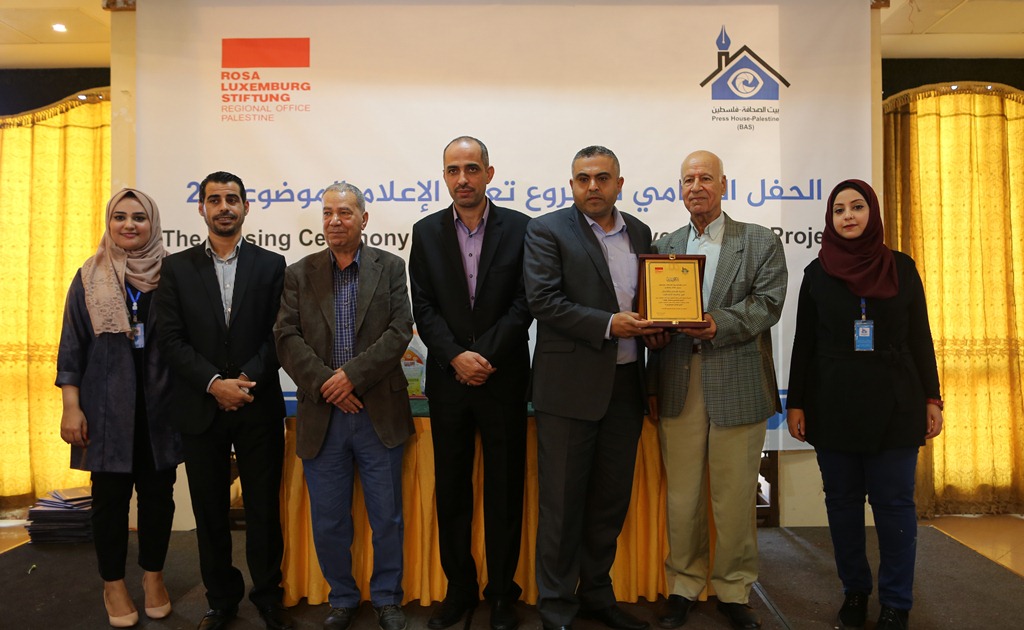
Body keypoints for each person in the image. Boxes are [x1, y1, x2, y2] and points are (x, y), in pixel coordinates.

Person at [786, 179, 943, 630]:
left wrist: (932, 397)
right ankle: (855, 591)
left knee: (894, 505)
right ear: (830, 220)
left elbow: (920, 336)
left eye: (857, 207)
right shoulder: (817, 273)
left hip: (896, 401)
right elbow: (804, 344)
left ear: (872, 213)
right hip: (833, 402)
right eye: (839, 210)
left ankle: (896, 602)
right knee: (842, 503)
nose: (848, 216)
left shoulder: (902, 267)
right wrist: (797, 403)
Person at [646, 150, 787, 630]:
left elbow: (768, 303)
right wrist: (654, 336)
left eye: (706, 178)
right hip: (678, 381)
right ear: (679, 189)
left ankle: (733, 589)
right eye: (688, 180)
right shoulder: (663, 246)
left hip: (737, 381)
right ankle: (684, 584)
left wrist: (717, 323)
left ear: (724, 185)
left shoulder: (759, 240)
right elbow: (653, 314)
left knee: (735, 497)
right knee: (682, 497)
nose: (697, 187)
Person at [524, 145, 657, 630]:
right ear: (572, 185)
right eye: (583, 178)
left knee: (609, 502)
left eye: (602, 177)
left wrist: (658, 326)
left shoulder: (639, 231)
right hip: (568, 390)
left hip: (625, 386)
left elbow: (650, 299)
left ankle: (597, 594)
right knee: (561, 505)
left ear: (619, 183)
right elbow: (544, 301)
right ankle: (557, 606)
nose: (593, 186)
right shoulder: (547, 230)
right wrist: (609, 324)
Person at [154, 171, 292, 630]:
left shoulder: (272, 265)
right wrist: (215, 383)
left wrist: (245, 380)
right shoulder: (176, 268)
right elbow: (170, 339)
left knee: (263, 510)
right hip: (201, 408)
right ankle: (221, 600)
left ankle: (268, 595)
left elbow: (281, 334)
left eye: (232, 199)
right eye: (214, 200)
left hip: (258, 404)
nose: (224, 207)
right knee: (210, 510)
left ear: (246, 207)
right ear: (202, 209)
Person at [274, 182, 413, 630]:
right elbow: (286, 337)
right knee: (330, 520)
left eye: (345, 212)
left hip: (378, 415)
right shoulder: (299, 273)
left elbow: (400, 330)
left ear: (363, 219)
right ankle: (343, 598)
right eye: (328, 213)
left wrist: (350, 377)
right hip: (324, 416)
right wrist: (327, 384)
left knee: (386, 517)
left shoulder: (390, 267)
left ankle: (388, 598)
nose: (335, 220)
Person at [409, 136, 532, 630]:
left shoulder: (522, 228)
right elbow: (423, 306)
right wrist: (456, 357)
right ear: (445, 176)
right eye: (454, 170)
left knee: (505, 492)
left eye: (472, 169)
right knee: (453, 491)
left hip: (503, 380)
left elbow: (525, 301)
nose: (463, 178)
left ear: (489, 173)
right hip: (449, 381)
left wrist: (486, 356)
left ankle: (502, 593)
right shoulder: (425, 231)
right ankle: (459, 589)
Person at [57, 188, 181, 628]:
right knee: (109, 501)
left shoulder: (174, 274)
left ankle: (153, 577)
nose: (129, 225)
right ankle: (112, 583)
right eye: (120, 217)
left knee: (158, 498)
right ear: (109, 223)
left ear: (153, 224)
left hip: (161, 409)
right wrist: (71, 406)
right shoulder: (88, 276)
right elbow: (72, 346)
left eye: (139, 217)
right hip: (105, 410)